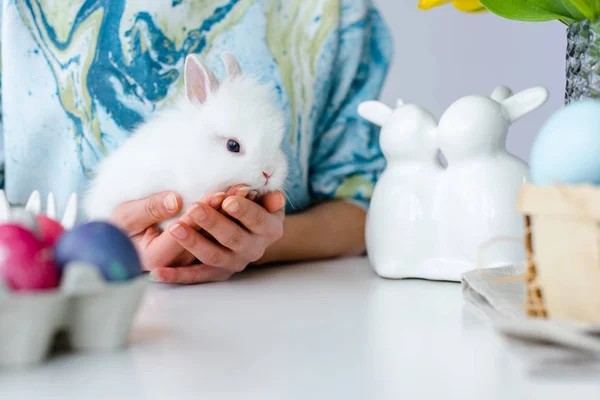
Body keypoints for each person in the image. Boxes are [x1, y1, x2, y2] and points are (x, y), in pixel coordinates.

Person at [0, 0, 392, 284]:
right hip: (54, 295)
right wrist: (110, 244)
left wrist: (256, 244)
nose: (269, 168)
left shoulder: (338, 15)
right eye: (234, 148)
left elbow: (362, 205)